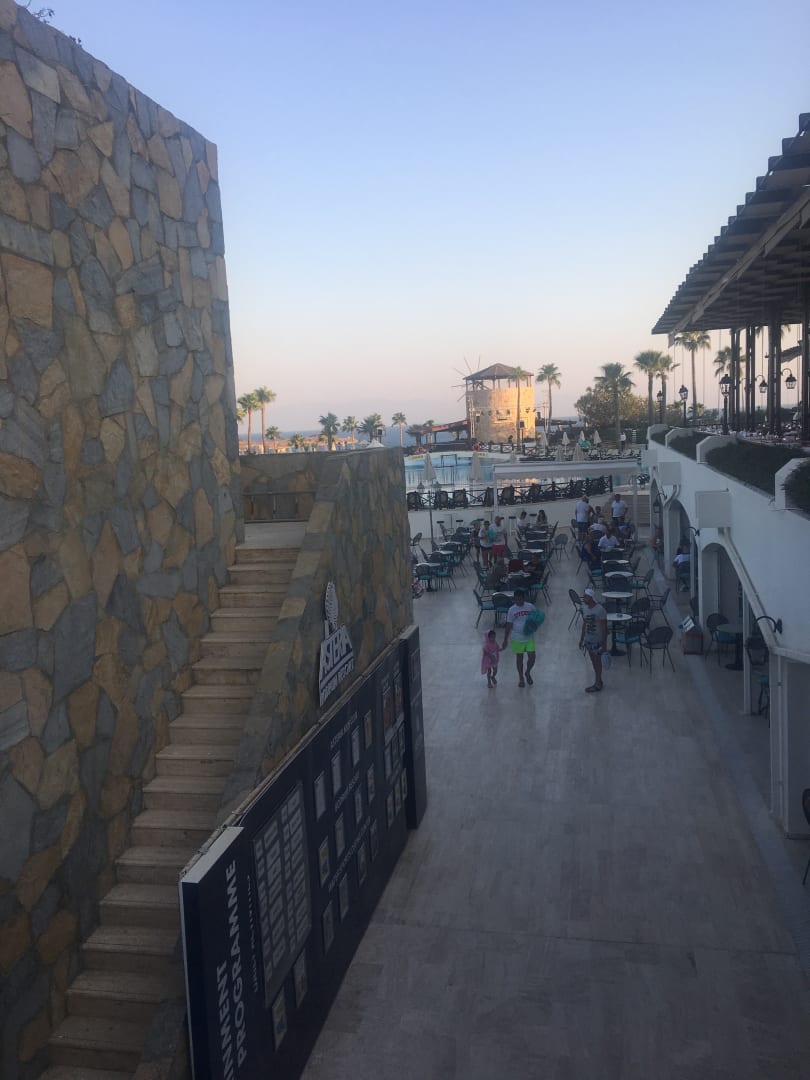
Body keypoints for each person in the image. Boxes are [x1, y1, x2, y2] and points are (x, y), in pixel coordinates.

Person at [502, 587, 539, 688]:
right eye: (516, 599)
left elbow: (536, 618)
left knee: (532, 657)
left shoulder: (530, 607)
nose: (518, 601)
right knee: (519, 658)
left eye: (520, 599)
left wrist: (535, 625)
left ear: (524, 598)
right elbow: (508, 625)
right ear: (514, 599)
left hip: (529, 637)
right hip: (517, 638)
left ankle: (527, 672)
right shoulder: (511, 610)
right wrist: (505, 639)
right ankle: (521, 677)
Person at [579, 587, 608, 693]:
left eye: (585, 597)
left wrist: (604, 644)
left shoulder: (600, 610)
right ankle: (599, 680)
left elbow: (604, 628)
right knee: (593, 661)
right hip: (588, 640)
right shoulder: (585, 608)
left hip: (597, 641)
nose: (584, 598)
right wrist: (581, 639)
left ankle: (597, 684)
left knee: (597, 662)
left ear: (591, 597)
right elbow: (585, 624)